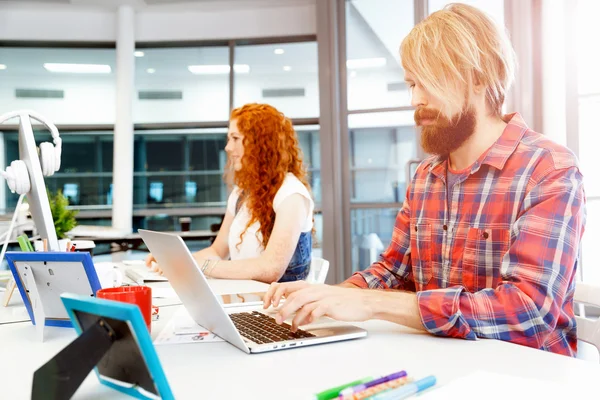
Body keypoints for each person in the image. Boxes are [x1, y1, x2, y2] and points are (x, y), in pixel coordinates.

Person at [263, 3, 586, 357]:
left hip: (529, 376)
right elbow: (393, 270)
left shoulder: (548, 170)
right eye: (412, 84)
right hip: (442, 360)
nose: (415, 99)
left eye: (429, 83)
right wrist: (326, 298)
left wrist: (372, 304)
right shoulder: (425, 176)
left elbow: (530, 312)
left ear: (480, 78)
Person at [146, 103, 315, 284]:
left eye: (235, 138)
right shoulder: (242, 193)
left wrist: (201, 266)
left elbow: (271, 269)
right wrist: (177, 260)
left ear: (261, 143)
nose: (227, 147)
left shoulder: (291, 194)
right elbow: (218, 251)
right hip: (245, 302)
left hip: (279, 307)